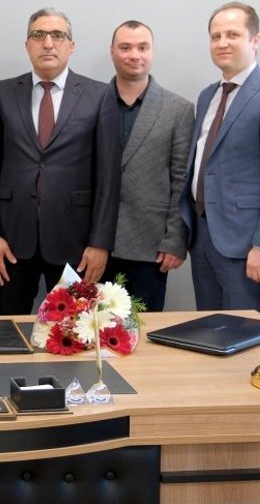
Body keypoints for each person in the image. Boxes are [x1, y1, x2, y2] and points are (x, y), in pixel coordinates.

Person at [0, 8, 122, 315]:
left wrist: (100, 243)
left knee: (75, 333)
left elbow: (109, 179)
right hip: (10, 243)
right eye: (38, 35)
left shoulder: (99, 95)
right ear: (27, 45)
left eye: (57, 35)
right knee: (6, 329)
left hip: (77, 243)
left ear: (71, 45)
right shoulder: (3, 92)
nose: (48, 43)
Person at [180, 2, 260, 310]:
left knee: (241, 331)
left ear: (255, 40)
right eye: (216, 36)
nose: (222, 43)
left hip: (245, 244)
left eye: (232, 34)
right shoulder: (207, 96)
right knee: (208, 328)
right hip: (203, 236)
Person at [102, 21, 195, 312]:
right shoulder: (91, 102)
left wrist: (175, 240)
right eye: (125, 47)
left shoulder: (178, 110)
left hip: (150, 246)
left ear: (152, 52)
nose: (134, 55)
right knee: (91, 327)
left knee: (142, 327)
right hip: (95, 244)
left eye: (142, 47)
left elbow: (181, 180)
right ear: (112, 52)